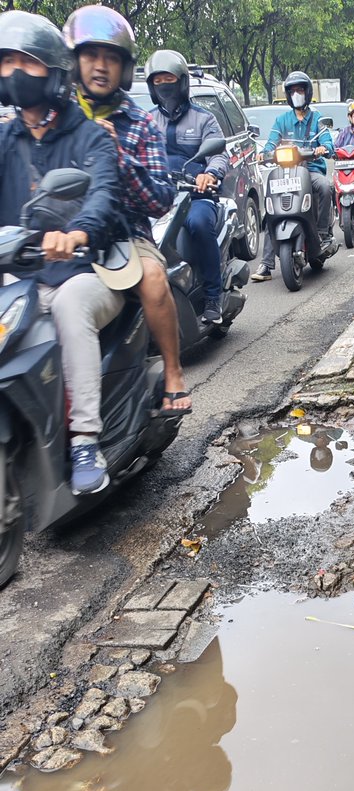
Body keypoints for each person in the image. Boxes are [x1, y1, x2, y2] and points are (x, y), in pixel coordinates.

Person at [0, 10, 122, 495]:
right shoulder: (4, 140)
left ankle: (85, 439)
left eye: (26, 62)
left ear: (53, 71)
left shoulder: (91, 136)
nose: (14, 72)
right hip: (21, 278)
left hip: (88, 272)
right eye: (6, 62)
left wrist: (75, 233)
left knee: (70, 304)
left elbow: (102, 195)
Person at [63, 7, 190, 416]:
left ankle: (173, 373)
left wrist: (119, 155)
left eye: (111, 58)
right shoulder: (55, 117)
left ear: (124, 68)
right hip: (59, 234)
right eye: (91, 56)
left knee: (153, 279)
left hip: (125, 236)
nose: (100, 66)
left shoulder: (139, 123)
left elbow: (160, 199)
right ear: (75, 62)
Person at [145, 49, 230, 324]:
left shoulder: (204, 118)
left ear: (181, 81)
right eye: (157, 81)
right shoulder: (147, 121)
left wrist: (210, 174)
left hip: (196, 196)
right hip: (160, 198)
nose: (163, 85)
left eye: (168, 79)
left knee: (199, 225)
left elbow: (219, 154)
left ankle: (213, 296)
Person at [251, 70, 334, 283]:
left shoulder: (317, 119)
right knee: (271, 209)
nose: (297, 94)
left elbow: (327, 141)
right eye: (293, 91)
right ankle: (266, 264)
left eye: (300, 90)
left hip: (310, 170)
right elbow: (271, 142)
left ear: (308, 92)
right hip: (285, 173)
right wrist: (264, 153)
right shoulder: (282, 120)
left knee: (325, 186)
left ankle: (323, 233)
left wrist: (323, 148)